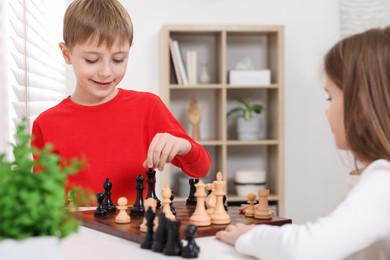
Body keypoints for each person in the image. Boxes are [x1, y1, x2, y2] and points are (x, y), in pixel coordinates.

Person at [216, 26, 390, 259]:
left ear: (359, 106)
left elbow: (305, 248)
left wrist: (247, 236)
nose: (327, 112)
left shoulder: (383, 182)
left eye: (330, 97)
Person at [31, 0, 210, 205]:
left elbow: (201, 168)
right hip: (78, 235)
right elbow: (41, 201)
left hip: (136, 233)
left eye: (118, 59)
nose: (106, 71)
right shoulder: (46, 124)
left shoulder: (148, 107)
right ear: (67, 53)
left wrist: (184, 146)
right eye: (92, 60)